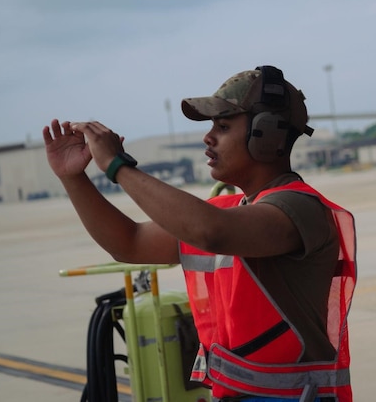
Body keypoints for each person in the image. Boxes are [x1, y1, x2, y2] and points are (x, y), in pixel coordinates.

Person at [44, 65, 357, 402]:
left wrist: (118, 166)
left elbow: (211, 232)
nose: (208, 137)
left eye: (222, 126)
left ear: (267, 135)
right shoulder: (230, 212)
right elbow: (129, 243)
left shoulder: (299, 209)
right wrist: (73, 178)